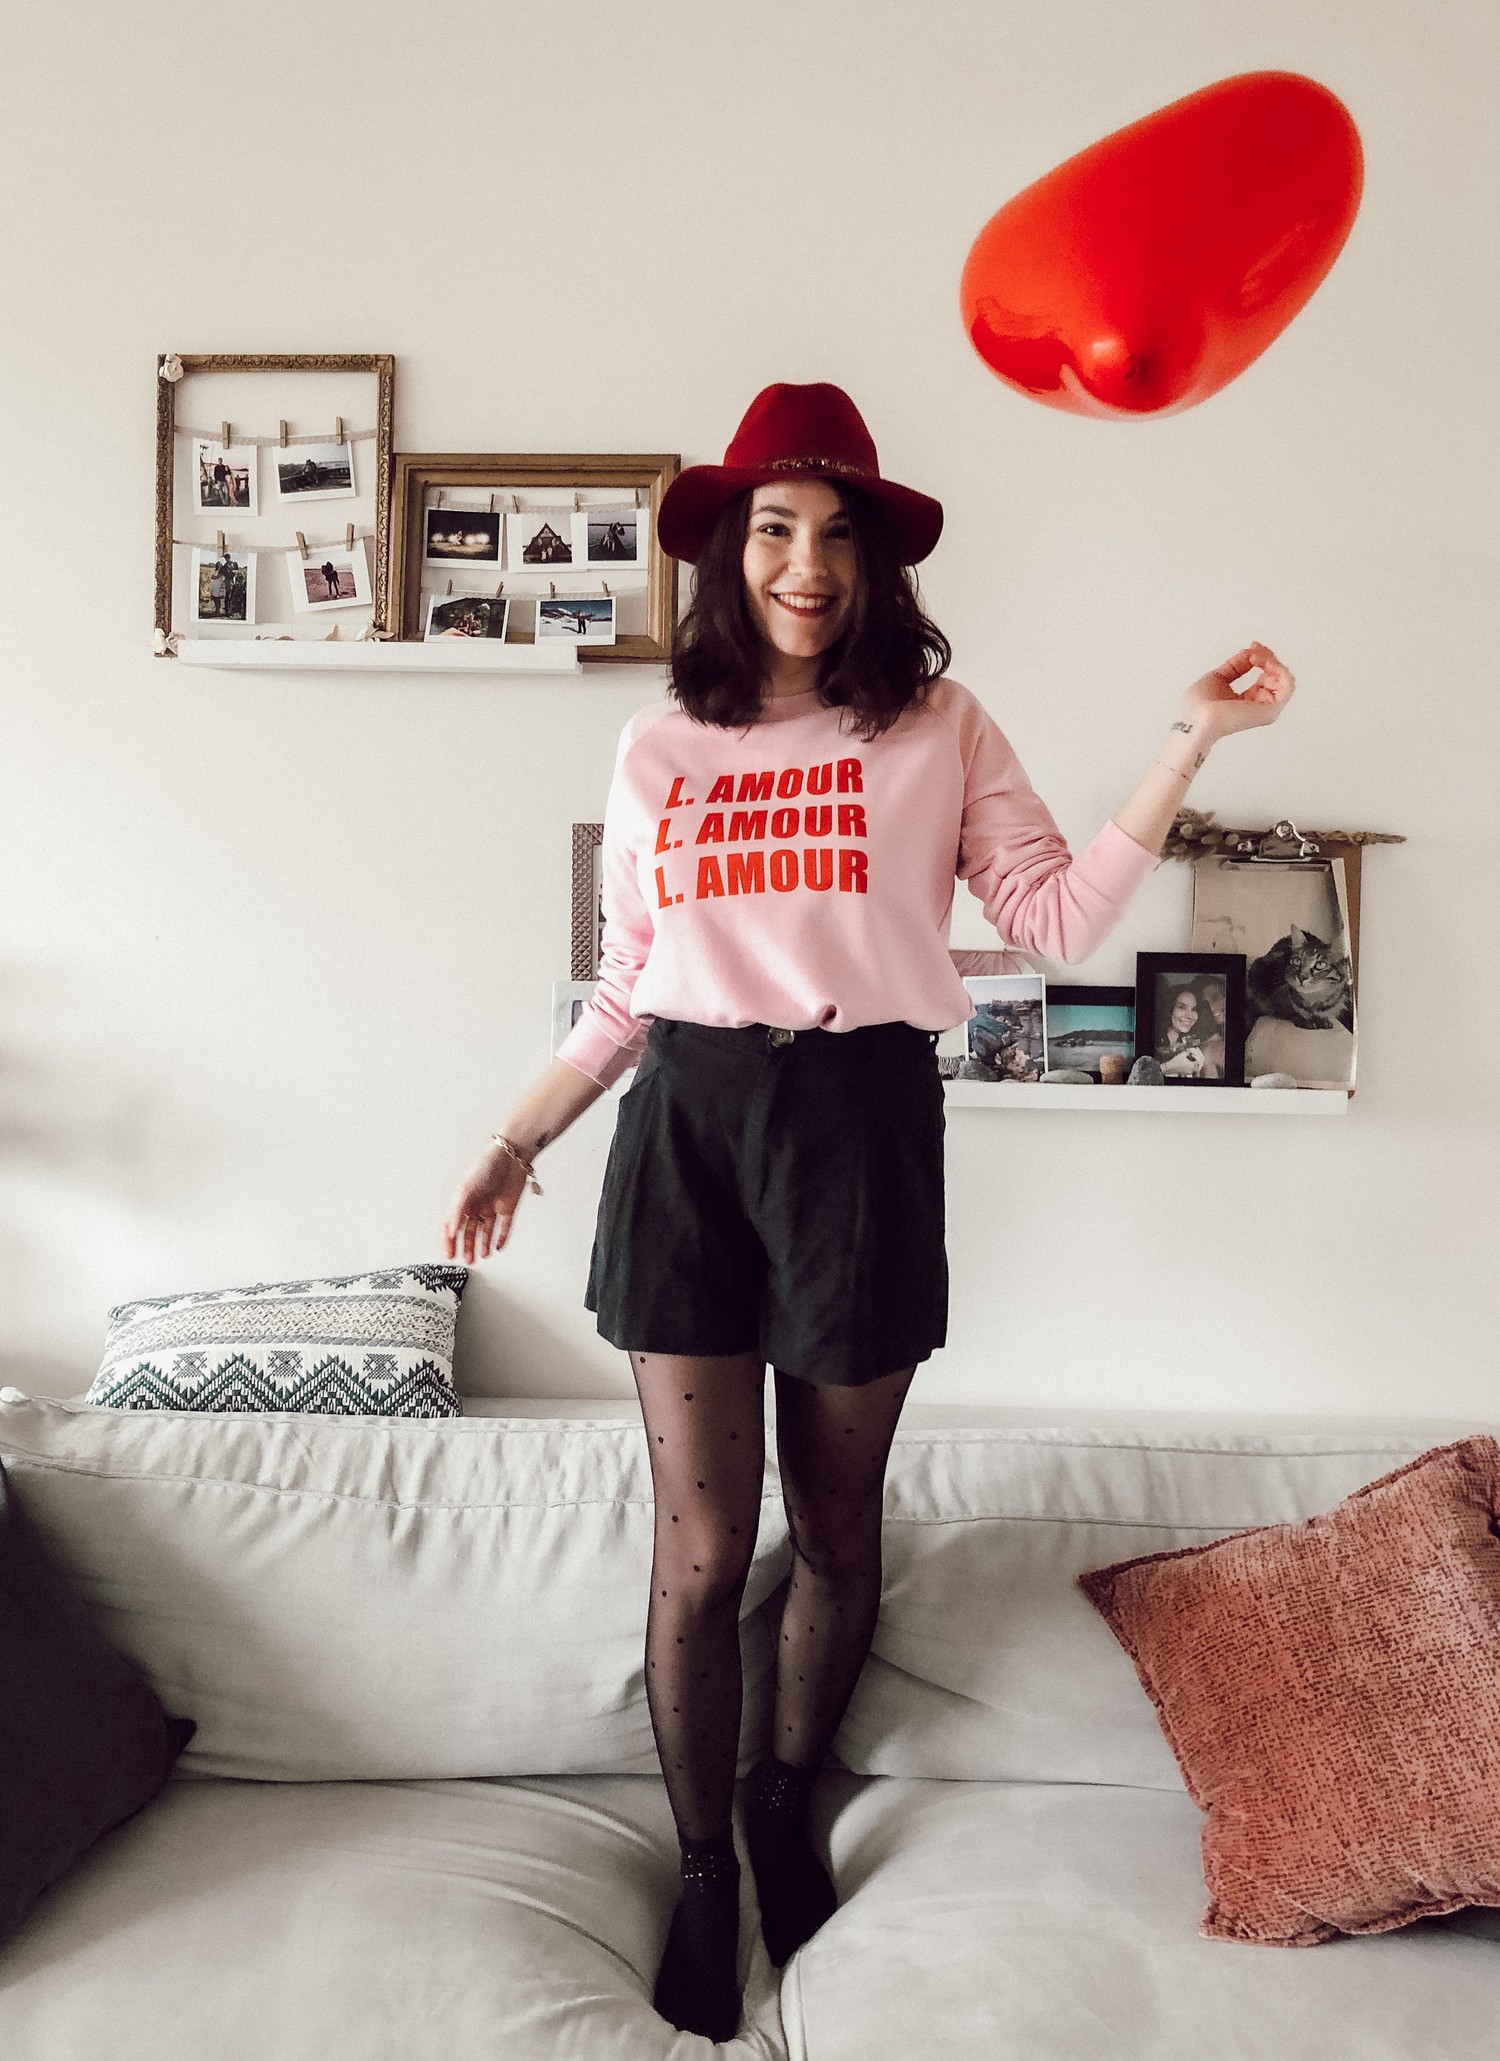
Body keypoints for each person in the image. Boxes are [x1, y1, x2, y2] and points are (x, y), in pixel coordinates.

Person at [441, 382, 1295, 2041]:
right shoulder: (661, 743)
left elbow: (1053, 918)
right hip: (689, 1127)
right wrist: (515, 1139)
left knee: (836, 1532)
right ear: (728, 548)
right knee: (703, 1548)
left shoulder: (937, 724)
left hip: (861, 1127)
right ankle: (704, 1868)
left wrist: (1187, 740)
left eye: (838, 534)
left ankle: (785, 1795)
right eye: (775, 529)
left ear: (878, 560)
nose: (807, 565)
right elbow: (626, 985)